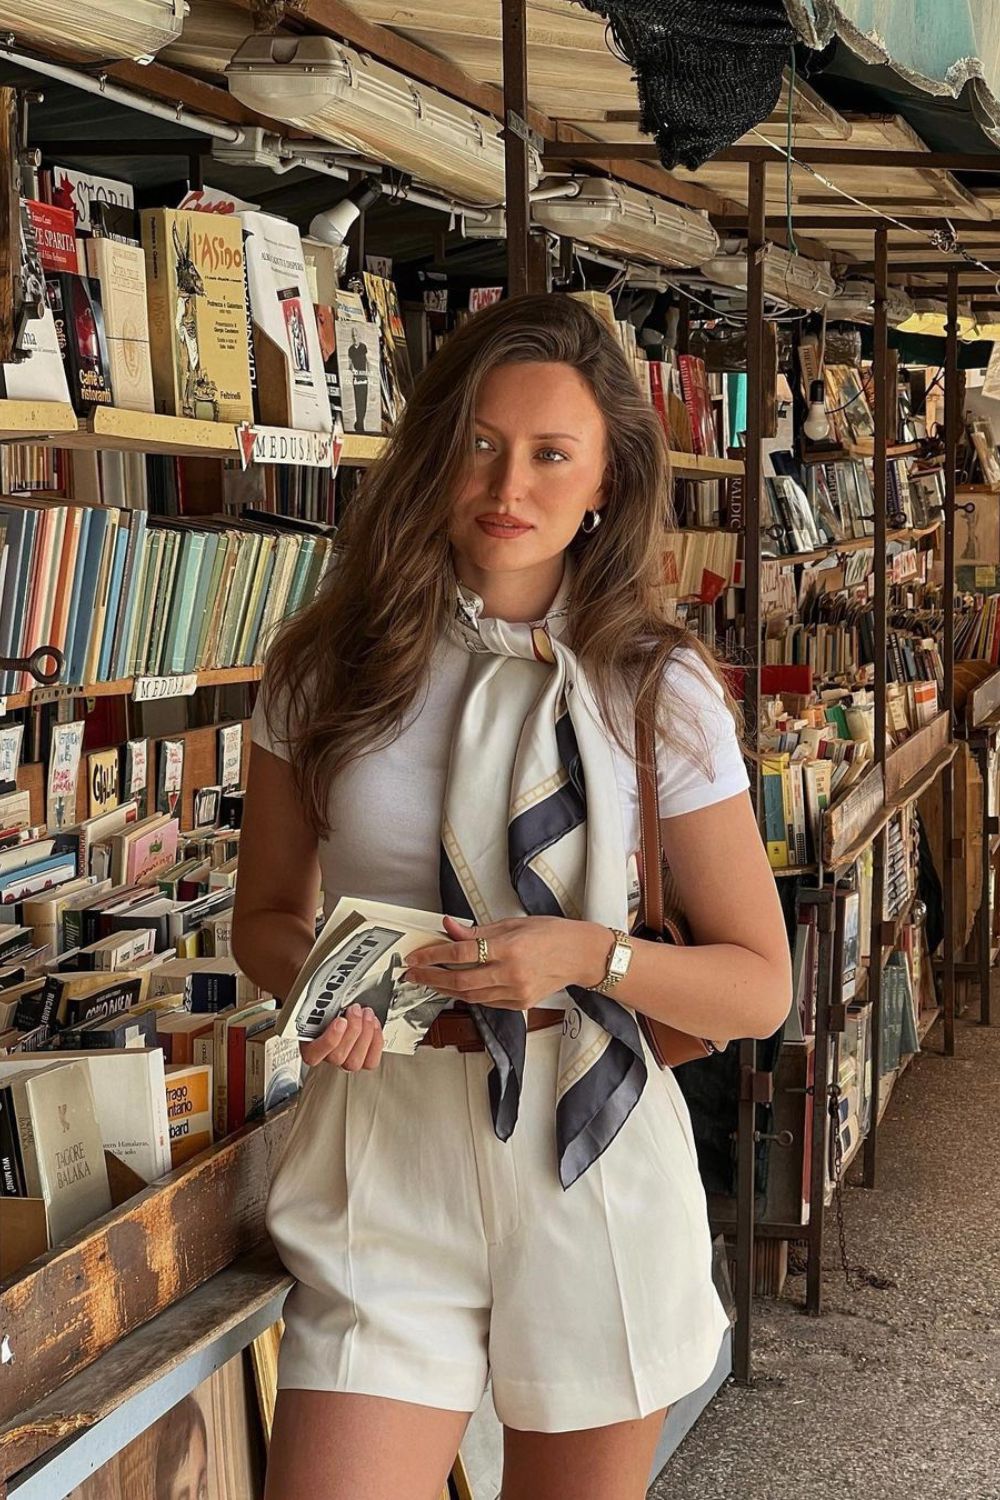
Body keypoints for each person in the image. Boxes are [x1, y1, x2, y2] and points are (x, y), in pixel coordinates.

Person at [234, 293, 792, 1500]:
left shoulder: (656, 687)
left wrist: (588, 954)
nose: (507, 485)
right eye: (480, 443)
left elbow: (758, 988)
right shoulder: (323, 667)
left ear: (605, 482)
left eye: (550, 454)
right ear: (434, 450)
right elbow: (266, 915)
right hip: (383, 1140)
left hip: (584, 1142)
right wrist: (325, 989)